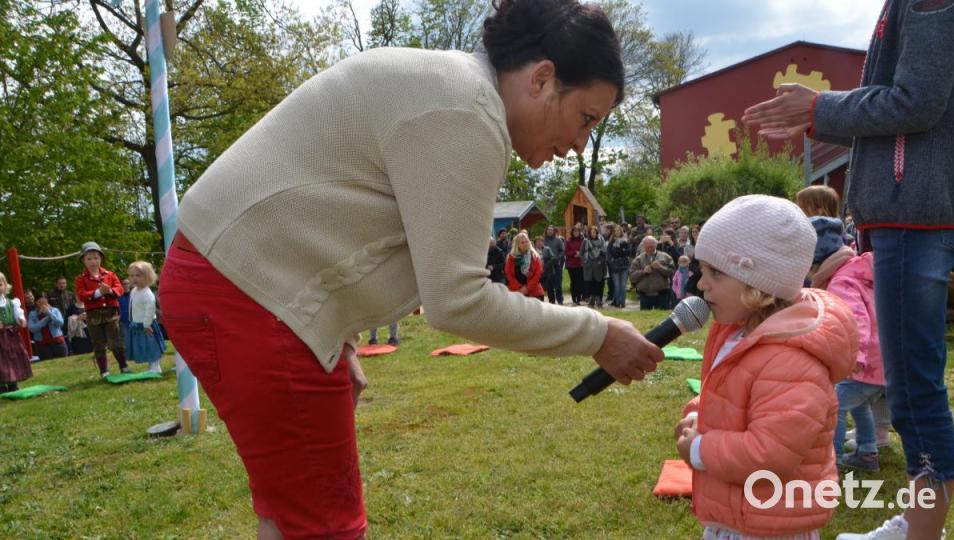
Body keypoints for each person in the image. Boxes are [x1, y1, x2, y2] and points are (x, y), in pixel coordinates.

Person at [156, 1, 663, 537]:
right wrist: (599, 333)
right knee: (323, 526)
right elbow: (457, 299)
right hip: (249, 296)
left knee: (290, 514)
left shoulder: (451, 91)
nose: (579, 145)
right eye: (586, 118)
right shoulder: (467, 111)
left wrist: (341, 338)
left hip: (239, 284)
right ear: (541, 78)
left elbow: (333, 218)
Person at [743, 1, 954, 536]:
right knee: (913, 386)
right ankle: (918, 524)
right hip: (909, 213)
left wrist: (820, 108)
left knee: (913, 388)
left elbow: (918, 102)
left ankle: (921, 531)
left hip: (916, 215)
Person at [675, 195, 858, 540]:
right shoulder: (737, 332)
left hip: (770, 525)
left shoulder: (792, 360)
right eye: (702, 270)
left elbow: (770, 453)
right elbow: (738, 399)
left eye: (716, 272)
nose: (701, 284)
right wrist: (702, 413)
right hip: (738, 515)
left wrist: (700, 449)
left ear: (759, 284)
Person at [806, 217, 886, 473]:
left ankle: (833, 460)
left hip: (865, 363)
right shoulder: (856, 271)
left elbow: (856, 320)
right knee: (859, 404)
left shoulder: (841, 281)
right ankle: (867, 452)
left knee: (834, 404)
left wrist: (856, 358)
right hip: (883, 362)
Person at [75, 241, 129, 378]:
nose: (93, 261)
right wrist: (98, 292)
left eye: (96, 258)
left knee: (115, 341)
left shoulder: (110, 275)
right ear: (83, 260)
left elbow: (120, 289)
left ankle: (124, 366)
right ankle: (104, 371)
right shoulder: (81, 279)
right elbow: (81, 294)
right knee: (98, 343)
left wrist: (110, 290)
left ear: (101, 259)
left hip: (111, 313)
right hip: (93, 315)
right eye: (89, 258)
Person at [125, 261, 165, 374]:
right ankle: (150, 366)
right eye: (132, 276)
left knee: (152, 345)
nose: (134, 278)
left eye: (138, 275)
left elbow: (150, 310)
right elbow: (132, 306)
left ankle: (155, 366)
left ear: (147, 277)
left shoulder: (147, 293)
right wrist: (132, 320)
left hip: (147, 325)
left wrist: (147, 324)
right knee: (143, 346)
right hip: (137, 324)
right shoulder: (134, 291)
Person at [0, 272, 31, 393]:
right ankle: (1, 385)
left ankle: (13, 383)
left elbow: (19, 314)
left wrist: (21, 320)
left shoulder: (12, 302)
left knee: (13, 358)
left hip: (11, 336)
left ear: (5, 285)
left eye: (0, 284)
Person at [629, 236, 675, 310]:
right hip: (645, 295)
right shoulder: (638, 259)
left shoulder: (665, 257)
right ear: (643, 247)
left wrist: (660, 267)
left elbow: (672, 273)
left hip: (662, 294)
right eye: (647, 247)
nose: (650, 249)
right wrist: (643, 272)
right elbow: (632, 277)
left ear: (656, 245)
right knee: (646, 319)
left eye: (652, 247)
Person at [506, 232, 544, 300]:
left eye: (526, 242)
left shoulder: (535, 256)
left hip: (534, 291)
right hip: (516, 292)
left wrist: (527, 288)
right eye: (522, 242)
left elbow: (538, 274)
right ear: (517, 245)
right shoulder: (511, 257)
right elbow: (508, 274)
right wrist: (520, 288)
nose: (525, 244)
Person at [579, 225, 607, 308]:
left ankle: (599, 299)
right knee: (590, 283)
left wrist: (600, 261)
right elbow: (581, 253)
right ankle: (592, 299)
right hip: (589, 266)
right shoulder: (586, 241)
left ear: (597, 233)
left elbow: (604, 253)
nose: (593, 234)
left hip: (599, 265)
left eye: (594, 232)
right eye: (591, 233)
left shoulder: (601, 240)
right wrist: (585, 261)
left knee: (599, 283)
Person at [606, 224, 631, 308]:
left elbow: (627, 252)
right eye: (615, 231)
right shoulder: (611, 242)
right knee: (617, 285)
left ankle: (622, 302)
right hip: (614, 266)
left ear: (621, 231)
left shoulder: (625, 241)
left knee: (623, 285)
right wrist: (612, 261)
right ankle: (617, 302)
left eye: (618, 230)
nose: (617, 232)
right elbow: (609, 254)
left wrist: (620, 250)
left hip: (624, 265)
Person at [537, 234, 563, 304]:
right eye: (537, 242)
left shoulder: (547, 249)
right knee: (540, 289)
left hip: (548, 273)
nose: (539, 243)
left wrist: (546, 265)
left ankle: (552, 303)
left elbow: (553, 258)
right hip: (538, 273)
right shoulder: (533, 250)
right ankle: (541, 303)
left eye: (540, 241)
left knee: (550, 289)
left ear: (543, 242)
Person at [542, 225, 565, 304]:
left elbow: (562, 251)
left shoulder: (558, 240)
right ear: (546, 231)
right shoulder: (543, 241)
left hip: (556, 265)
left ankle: (560, 300)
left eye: (551, 230)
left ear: (554, 231)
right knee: (549, 285)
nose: (550, 231)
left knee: (558, 284)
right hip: (547, 266)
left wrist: (558, 258)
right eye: (548, 230)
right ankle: (551, 301)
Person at [565, 226, 585, 305]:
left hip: (581, 264)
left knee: (580, 282)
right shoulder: (568, 241)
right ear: (572, 233)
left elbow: (584, 250)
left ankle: (579, 298)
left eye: (577, 231)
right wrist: (574, 253)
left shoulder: (583, 240)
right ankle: (574, 298)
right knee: (574, 282)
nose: (576, 233)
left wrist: (580, 254)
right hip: (571, 265)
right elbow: (566, 252)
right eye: (574, 231)